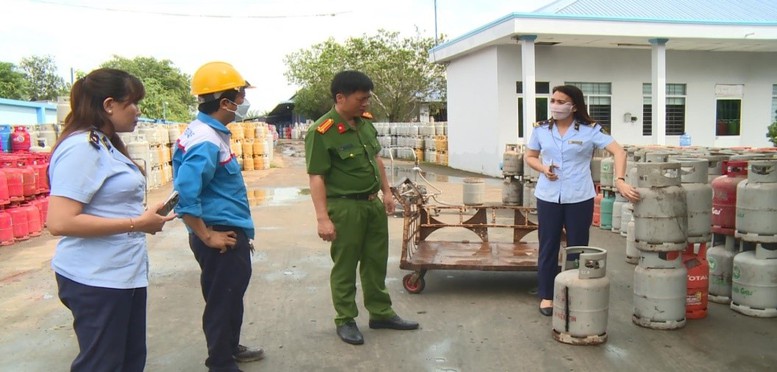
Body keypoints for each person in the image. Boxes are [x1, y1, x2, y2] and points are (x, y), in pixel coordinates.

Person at [47, 68, 176, 371]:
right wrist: (136, 224)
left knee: (129, 361)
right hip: (95, 279)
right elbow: (60, 222)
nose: (138, 111)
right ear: (109, 105)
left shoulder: (105, 144)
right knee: (102, 365)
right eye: (132, 103)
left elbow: (108, 205)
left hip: (121, 274)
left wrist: (143, 216)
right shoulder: (83, 148)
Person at [305, 70, 419, 345]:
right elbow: (316, 177)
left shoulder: (365, 124)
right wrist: (322, 218)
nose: (366, 104)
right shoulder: (322, 132)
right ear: (340, 98)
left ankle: (380, 313)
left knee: (375, 261)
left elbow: (376, 159)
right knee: (345, 266)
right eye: (361, 99)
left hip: (372, 205)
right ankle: (345, 319)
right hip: (345, 208)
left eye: (367, 98)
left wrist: (387, 192)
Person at [172, 61, 263, 371]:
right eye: (239, 96)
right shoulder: (206, 140)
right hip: (218, 232)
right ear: (225, 102)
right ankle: (220, 362)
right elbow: (186, 191)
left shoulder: (208, 132)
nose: (243, 102)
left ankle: (230, 347)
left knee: (230, 293)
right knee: (222, 299)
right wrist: (206, 235)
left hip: (225, 228)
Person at [524, 85, 640, 316]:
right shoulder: (541, 129)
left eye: (561, 101)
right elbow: (530, 156)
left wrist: (619, 179)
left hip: (579, 196)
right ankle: (547, 295)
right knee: (548, 246)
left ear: (574, 106)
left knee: (578, 247)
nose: (555, 105)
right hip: (548, 196)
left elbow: (619, 152)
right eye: (553, 100)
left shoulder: (590, 129)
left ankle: (576, 292)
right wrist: (543, 168)